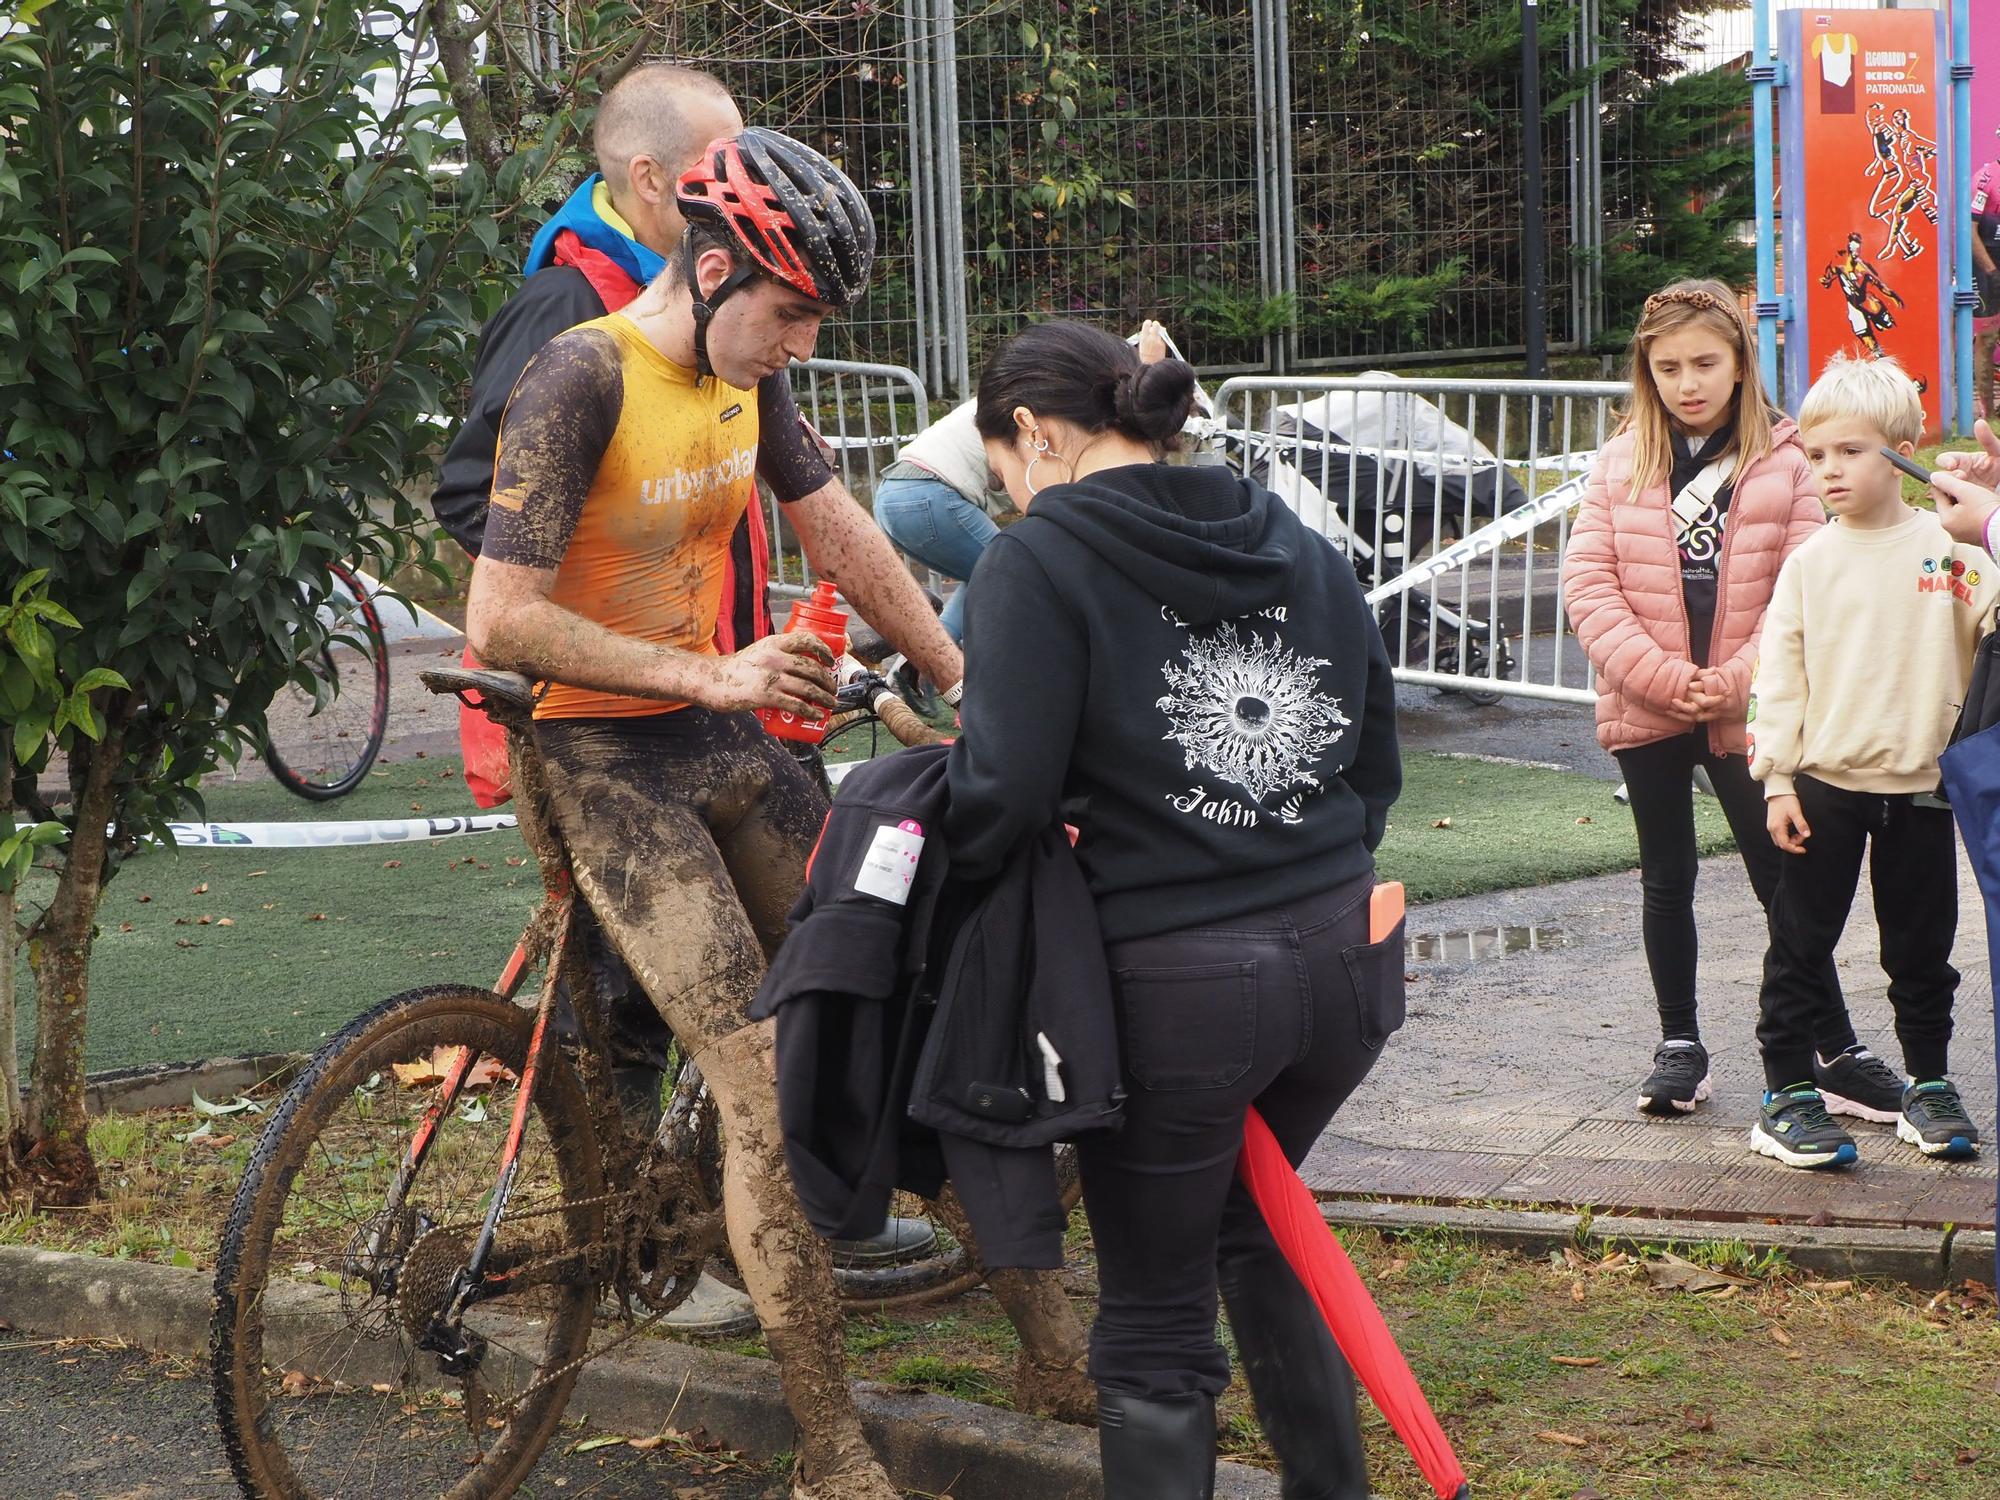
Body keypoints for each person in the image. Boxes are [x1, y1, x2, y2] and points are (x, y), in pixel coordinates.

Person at [465, 128, 961, 1500]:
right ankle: (833, 1447)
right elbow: (499, 620)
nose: (800, 340)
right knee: (759, 1077)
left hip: (721, 736)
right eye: (790, 308)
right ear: (718, 263)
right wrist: (707, 669)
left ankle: (1043, 1343)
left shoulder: (748, 373)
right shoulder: (582, 374)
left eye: (816, 318)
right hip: (602, 762)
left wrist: (955, 667)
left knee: (888, 983)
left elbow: (839, 529)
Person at [943, 320, 1403, 1498]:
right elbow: (1374, 746)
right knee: (1261, 1235)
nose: (1006, 491)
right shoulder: (1288, 533)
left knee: (1151, 1318)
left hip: (1178, 987)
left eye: (999, 465)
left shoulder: (1035, 561)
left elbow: (1002, 790)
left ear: (1035, 436)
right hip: (1342, 957)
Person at [1563, 281, 1890, 1121]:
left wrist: (1737, 677)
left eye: (1705, 362)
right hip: (1649, 705)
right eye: (1667, 367)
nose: (1688, 382)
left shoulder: (1788, 460)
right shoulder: (1620, 459)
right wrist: (1668, 680)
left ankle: (1831, 1047)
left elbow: (1804, 581)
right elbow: (1589, 585)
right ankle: (1680, 1044)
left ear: (1743, 361)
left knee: (1781, 878)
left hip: (1755, 709)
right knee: (1666, 877)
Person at [1747, 355, 1996, 1169]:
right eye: (1816, 456)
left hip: (1924, 793)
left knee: (1923, 950)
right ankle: (1786, 1095)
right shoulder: (1811, 563)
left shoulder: (1953, 550)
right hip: (1824, 787)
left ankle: (1927, 1086)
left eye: (1850, 452)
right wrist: (1777, 778)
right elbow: (1780, 676)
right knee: (1800, 942)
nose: (1829, 471)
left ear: (1902, 449)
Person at [873, 320, 1173, 642]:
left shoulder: (1022, 392)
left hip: (894, 494)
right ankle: (945, 665)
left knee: (986, 574)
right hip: (927, 492)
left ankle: (928, 661)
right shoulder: (1037, 403)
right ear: (1030, 429)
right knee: (1014, 573)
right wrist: (1149, 366)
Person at [1971, 139, 2000, 418]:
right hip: (1989, 266)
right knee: (1988, 338)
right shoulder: (1986, 177)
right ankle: (1987, 413)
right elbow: (1970, 230)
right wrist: (1991, 271)